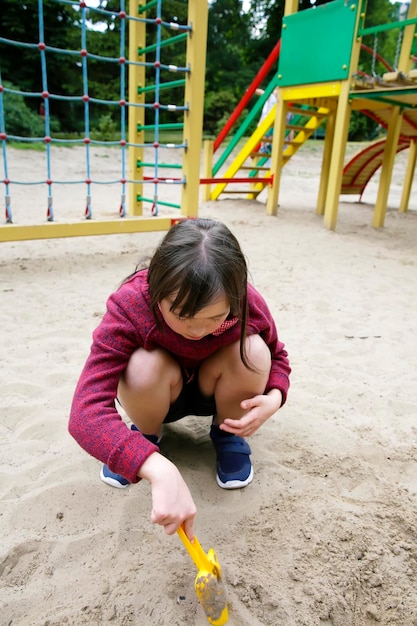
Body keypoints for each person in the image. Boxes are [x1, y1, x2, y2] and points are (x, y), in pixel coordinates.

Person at [68, 218, 291, 540]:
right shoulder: (131, 303)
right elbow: (84, 412)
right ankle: (146, 436)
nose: (198, 331)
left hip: (215, 390)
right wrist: (155, 468)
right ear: (156, 288)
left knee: (254, 351)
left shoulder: (246, 301)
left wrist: (275, 398)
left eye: (216, 317)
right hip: (158, 392)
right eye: (182, 315)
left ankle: (228, 434)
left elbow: (278, 356)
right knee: (141, 363)